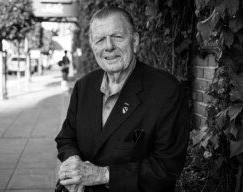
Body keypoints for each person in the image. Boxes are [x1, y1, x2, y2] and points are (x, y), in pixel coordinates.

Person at [55, 6, 190, 192]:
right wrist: (74, 165)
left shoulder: (167, 91)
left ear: (135, 41)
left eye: (117, 37)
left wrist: (102, 175)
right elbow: (66, 139)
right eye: (100, 40)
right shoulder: (84, 86)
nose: (108, 46)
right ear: (93, 47)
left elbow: (166, 167)